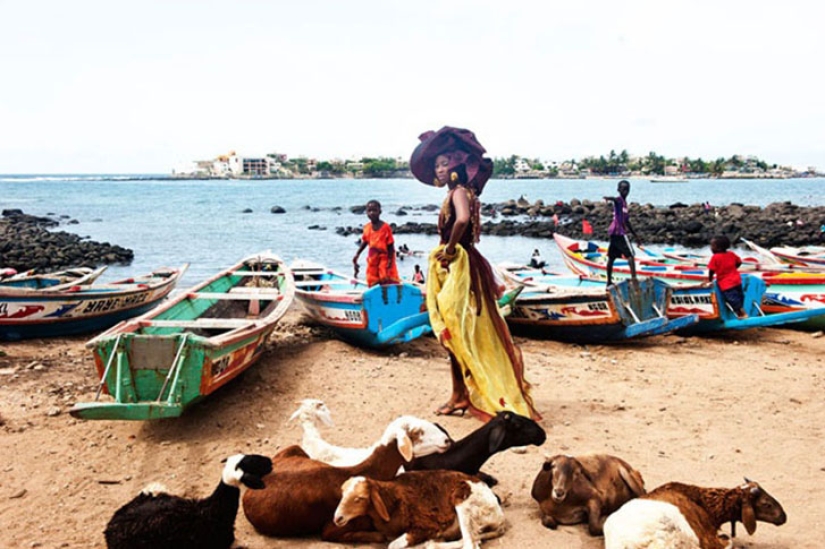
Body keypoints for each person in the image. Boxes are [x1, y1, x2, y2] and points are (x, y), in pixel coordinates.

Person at [409, 126, 540, 422]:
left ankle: (460, 395)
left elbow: (463, 220)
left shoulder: (458, 193)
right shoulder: (464, 192)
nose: (439, 169)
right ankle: (459, 394)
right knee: (455, 334)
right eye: (437, 165)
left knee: (454, 331)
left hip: (460, 268)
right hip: (463, 266)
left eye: (444, 164)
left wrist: (451, 248)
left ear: (456, 165)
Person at [352, 200, 400, 286]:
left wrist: (389, 260)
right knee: (372, 277)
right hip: (373, 257)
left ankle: (387, 294)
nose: (372, 213)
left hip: (384, 257)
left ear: (380, 212)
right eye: (369, 211)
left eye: (374, 210)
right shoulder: (367, 227)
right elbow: (365, 241)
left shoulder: (385, 227)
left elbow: (390, 245)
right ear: (366, 212)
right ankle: (374, 293)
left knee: (385, 276)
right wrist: (357, 254)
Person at [603, 180, 639, 286]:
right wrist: (609, 198)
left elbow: (627, 221)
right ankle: (634, 280)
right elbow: (615, 200)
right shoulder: (619, 200)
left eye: (627, 189)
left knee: (612, 257)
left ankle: (609, 281)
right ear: (619, 190)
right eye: (623, 189)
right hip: (619, 232)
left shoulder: (624, 204)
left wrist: (635, 235)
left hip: (615, 233)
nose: (625, 191)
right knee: (631, 255)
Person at [706, 235, 746, 318]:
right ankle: (741, 309)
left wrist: (709, 280)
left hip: (726, 283)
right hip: (737, 280)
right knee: (739, 295)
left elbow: (711, 270)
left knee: (731, 298)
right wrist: (733, 269)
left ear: (718, 248)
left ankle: (740, 313)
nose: (711, 248)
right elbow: (739, 262)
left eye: (712, 246)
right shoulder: (731, 254)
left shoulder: (715, 257)